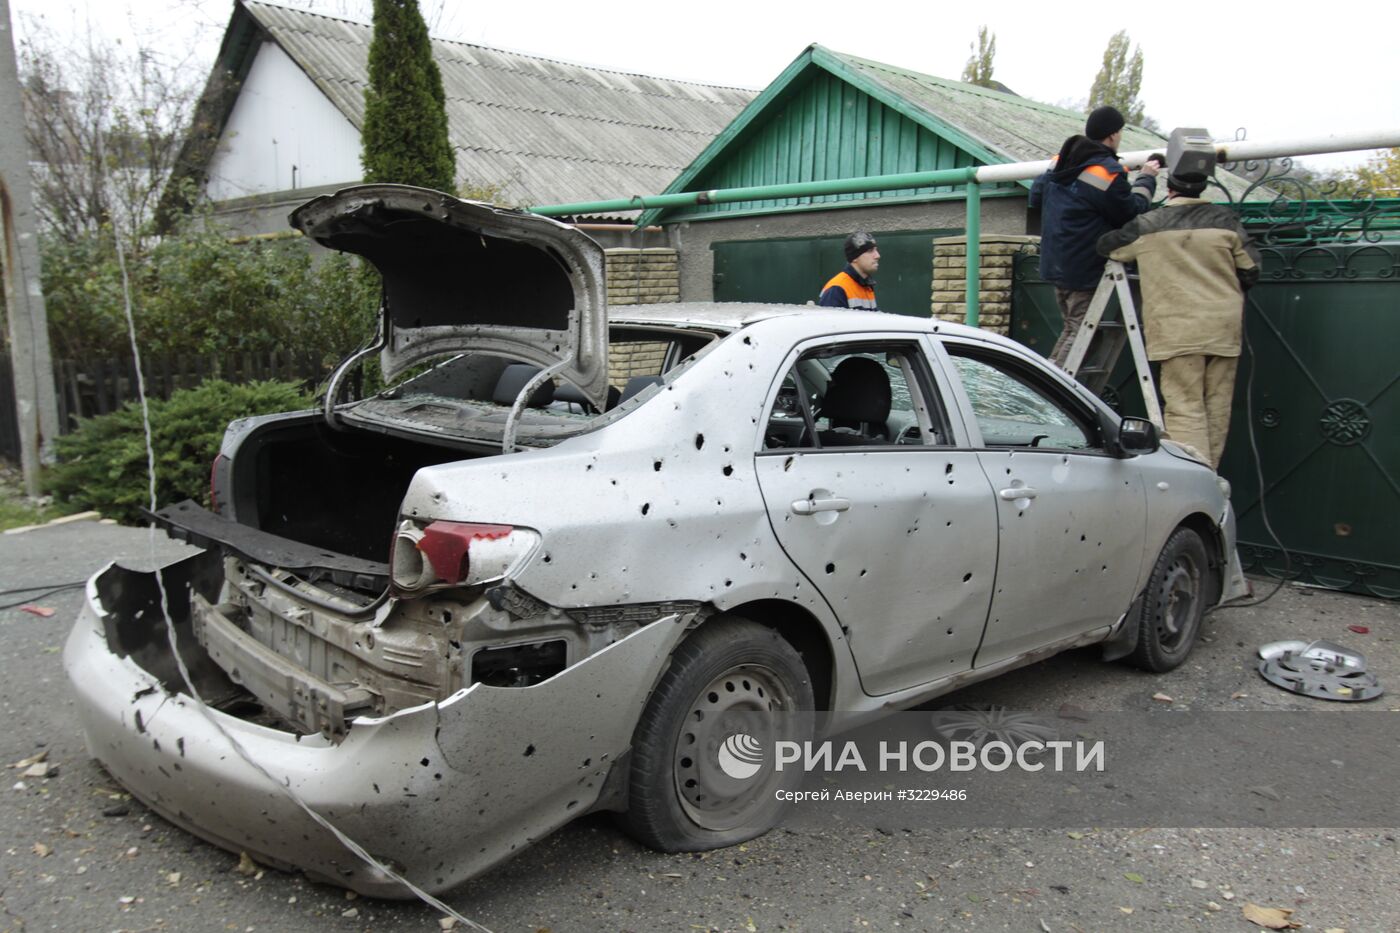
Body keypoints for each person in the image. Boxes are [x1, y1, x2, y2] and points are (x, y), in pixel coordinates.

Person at [1096, 173, 1261, 469]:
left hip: (1177, 327)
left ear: (1169, 189)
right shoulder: (1225, 220)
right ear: (1203, 187)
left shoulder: (1149, 224)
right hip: (1223, 325)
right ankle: (1213, 476)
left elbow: (1108, 246)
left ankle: (1198, 479)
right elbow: (1250, 269)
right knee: (1217, 406)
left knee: (1185, 407)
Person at [1029, 106, 1159, 365]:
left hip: (1056, 262)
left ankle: (1049, 381)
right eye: (1120, 133)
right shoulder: (1106, 171)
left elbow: (1035, 196)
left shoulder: (1061, 162)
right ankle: (1054, 389)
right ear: (1112, 136)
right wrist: (1146, 181)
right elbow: (1131, 211)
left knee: (1071, 328)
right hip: (1083, 267)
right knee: (1080, 335)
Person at [819, 232, 880, 310]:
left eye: (876, 250)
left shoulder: (866, 285)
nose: (878, 256)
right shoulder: (837, 289)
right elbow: (831, 322)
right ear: (854, 257)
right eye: (870, 251)